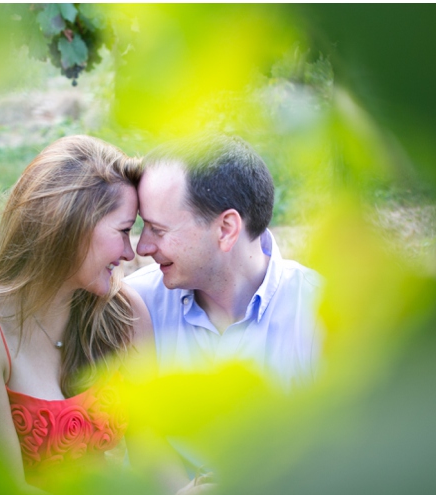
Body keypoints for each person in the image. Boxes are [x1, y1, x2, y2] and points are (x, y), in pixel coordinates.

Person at [0, 135, 178, 493]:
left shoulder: (123, 314)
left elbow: (152, 449)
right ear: (70, 226)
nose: (130, 252)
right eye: (124, 231)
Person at [126, 134, 323, 391]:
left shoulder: (322, 313)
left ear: (226, 229)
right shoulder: (133, 307)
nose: (142, 248)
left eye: (158, 230)